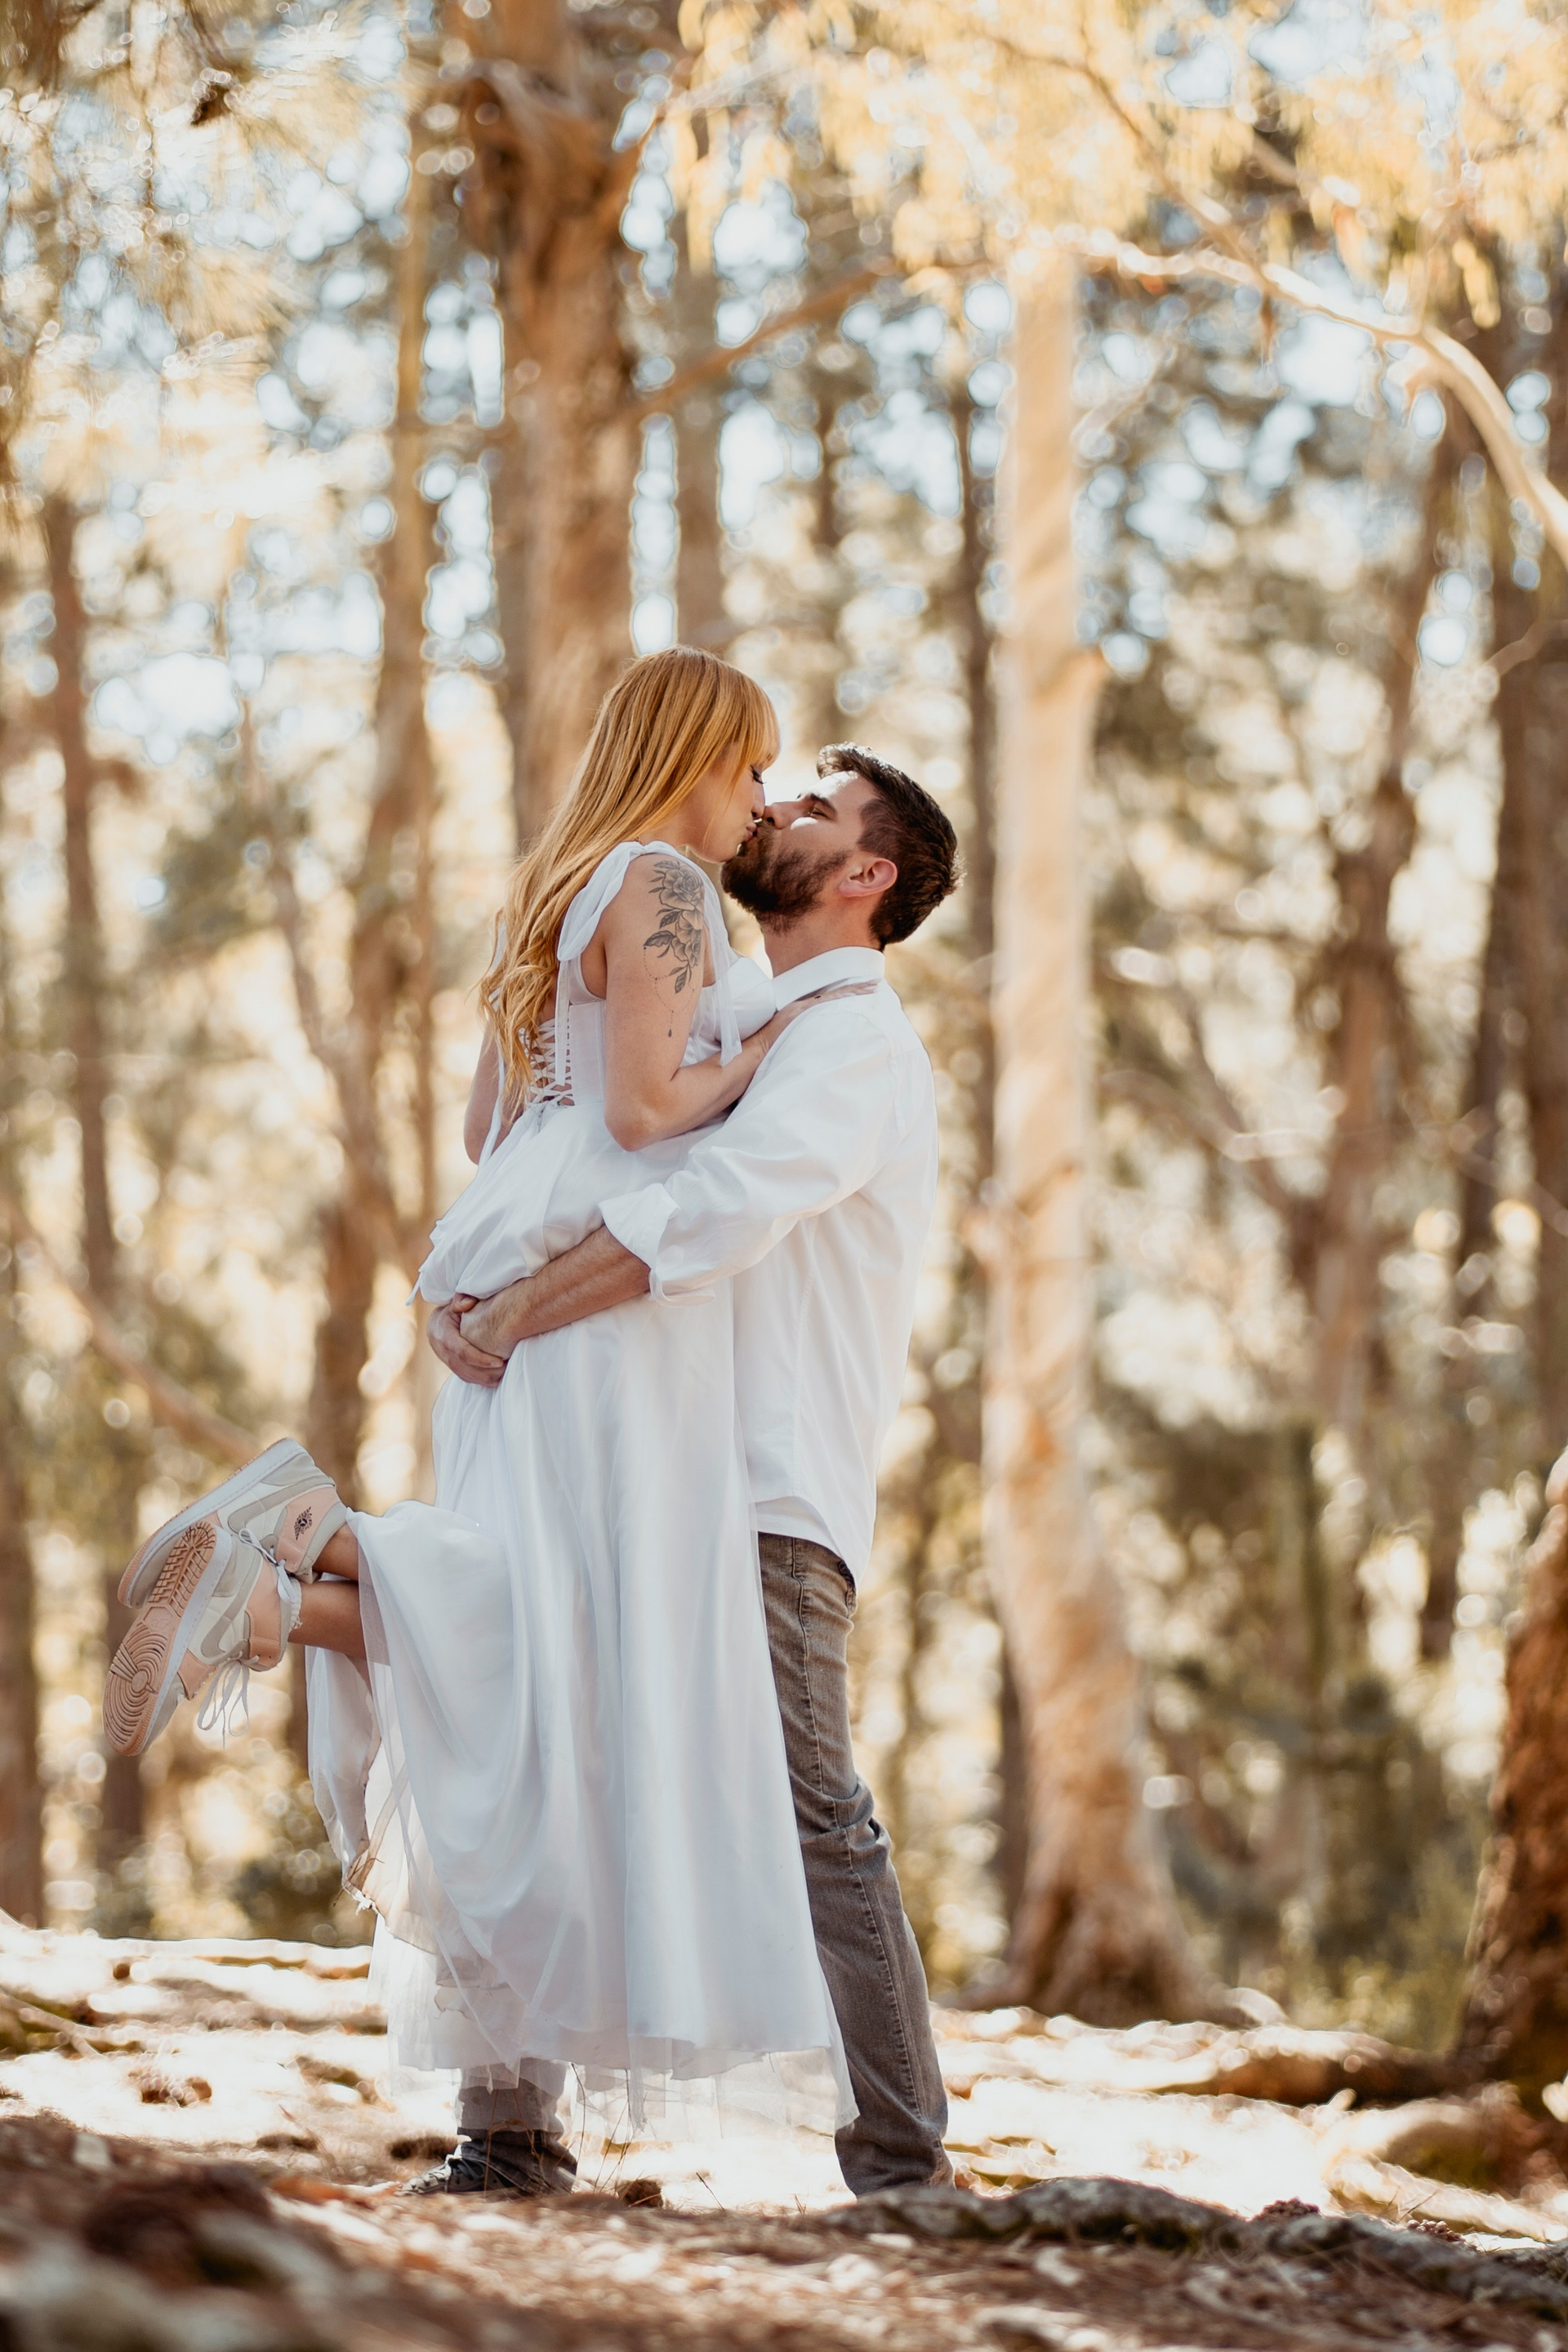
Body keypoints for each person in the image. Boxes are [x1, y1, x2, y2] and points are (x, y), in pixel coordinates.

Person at [100, 648, 857, 2194]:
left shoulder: (554, 891)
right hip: (603, 1314)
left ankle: (281, 1586)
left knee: (534, 1642)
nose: (758, 800)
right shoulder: (663, 883)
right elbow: (645, 1111)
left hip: (511, 1258)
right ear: (693, 755)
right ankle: (308, 1538)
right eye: (749, 764)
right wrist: (763, 1050)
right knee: (580, 1644)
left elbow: (483, 1127)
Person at [430, 742, 960, 2199]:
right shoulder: (734, 1007)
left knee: (807, 1804)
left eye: (813, 807)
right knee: (552, 1757)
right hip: (633, 1455)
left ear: (867, 875)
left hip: (761, 1485)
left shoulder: (849, 1041)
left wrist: (515, 1312)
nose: (772, 805)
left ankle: (906, 2169)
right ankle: (509, 2131)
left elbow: (716, 1211)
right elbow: (560, 1136)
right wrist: (470, 1274)